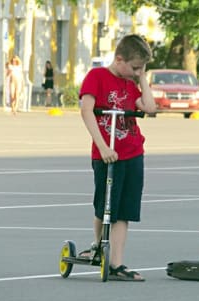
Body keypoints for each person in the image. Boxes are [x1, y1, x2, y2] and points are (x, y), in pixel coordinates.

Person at [79, 34, 156, 281]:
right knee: (105, 205)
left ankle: (116, 263)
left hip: (132, 152)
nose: (136, 73)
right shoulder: (97, 77)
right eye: (134, 67)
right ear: (119, 59)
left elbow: (150, 108)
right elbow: (86, 111)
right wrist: (102, 147)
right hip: (107, 153)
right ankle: (98, 245)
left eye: (141, 69)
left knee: (124, 210)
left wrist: (142, 76)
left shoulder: (131, 82)